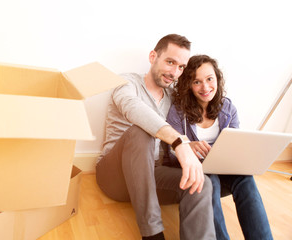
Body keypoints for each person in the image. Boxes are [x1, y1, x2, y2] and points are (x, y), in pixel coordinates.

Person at [96, 34, 216, 240]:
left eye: (181, 67)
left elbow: (169, 146)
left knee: (201, 183)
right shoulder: (126, 82)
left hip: (152, 176)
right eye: (170, 62)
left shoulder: (173, 99)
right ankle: (152, 235)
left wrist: (190, 146)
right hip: (114, 177)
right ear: (153, 57)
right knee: (140, 131)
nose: (174, 72)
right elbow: (133, 109)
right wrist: (180, 141)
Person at [164, 54, 273, 240]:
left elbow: (237, 143)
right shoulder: (178, 111)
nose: (205, 87)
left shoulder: (227, 107)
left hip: (225, 167)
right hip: (196, 167)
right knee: (210, 179)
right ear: (188, 85)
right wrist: (188, 146)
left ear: (217, 78)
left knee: (246, 179)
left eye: (209, 79)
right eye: (197, 82)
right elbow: (171, 151)